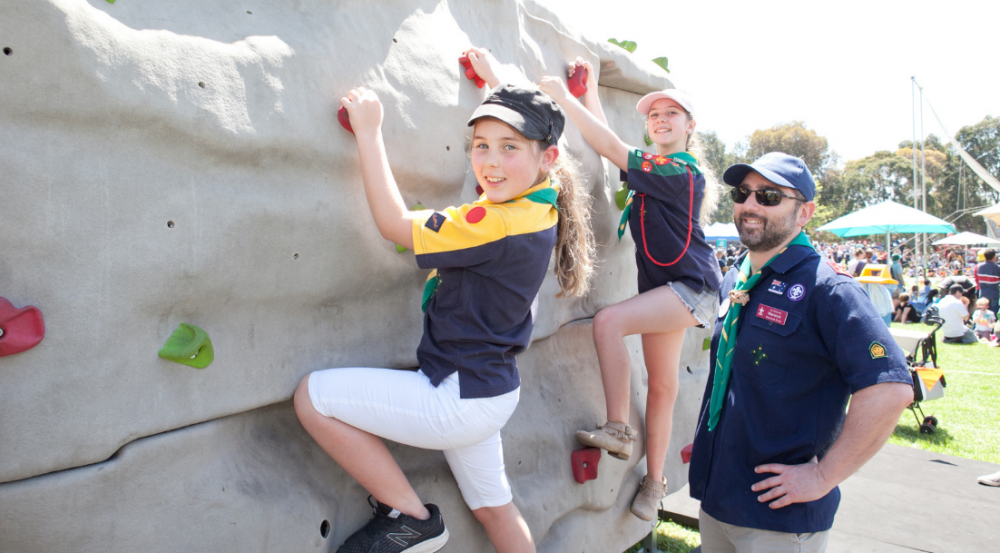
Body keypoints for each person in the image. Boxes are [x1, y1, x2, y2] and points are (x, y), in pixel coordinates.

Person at [294, 51, 595, 553]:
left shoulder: (496, 222)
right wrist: (496, 86)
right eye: (480, 145)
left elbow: (394, 225)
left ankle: (410, 519)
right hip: (491, 390)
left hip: (456, 398)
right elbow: (506, 165)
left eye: (509, 148)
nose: (490, 162)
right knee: (494, 508)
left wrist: (369, 132)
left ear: (548, 158)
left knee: (312, 397)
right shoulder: (536, 206)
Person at [688, 152, 913, 553]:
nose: (751, 205)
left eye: (770, 196)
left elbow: (890, 389)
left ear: (804, 212)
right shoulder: (736, 278)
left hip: (779, 520)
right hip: (719, 499)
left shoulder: (829, 289)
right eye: (744, 193)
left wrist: (824, 476)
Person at [539, 62, 721, 520]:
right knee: (661, 387)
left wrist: (564, 97)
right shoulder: (655, 168)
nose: (660, 119)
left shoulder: (679, 170)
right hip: (666, 288)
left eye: (671, 114)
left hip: (690, 287)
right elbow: (613, 148)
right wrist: (589, 94)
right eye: (653, 114)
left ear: (690, 127)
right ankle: (654, 485)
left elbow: (613, 148)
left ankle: (618, 428)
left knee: (608, 322)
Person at [975, 248, 1000, 315]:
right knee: (993, 314)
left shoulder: (979, 267)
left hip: (983, 292)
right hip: (994, 293)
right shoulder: (997, 268)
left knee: (983, 313)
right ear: (994, 257)